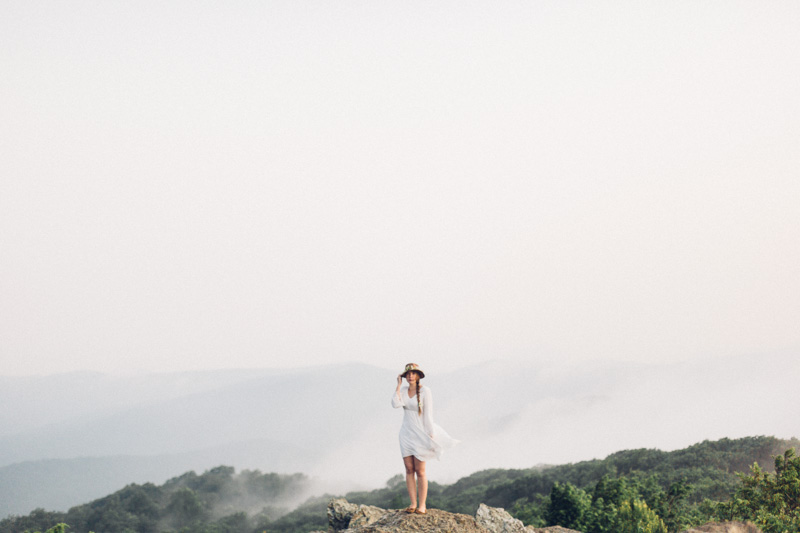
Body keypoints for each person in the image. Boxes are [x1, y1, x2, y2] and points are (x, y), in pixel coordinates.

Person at [391, 363, 458, 515]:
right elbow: (395, 404)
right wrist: (398, 385)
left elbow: (428, 414)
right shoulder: (402, 390)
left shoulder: (425, 391)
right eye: (407, 374)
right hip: (406, 433)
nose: (410, 376)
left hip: (420, 433)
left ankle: (422, 505)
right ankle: (413, 503)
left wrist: (430, 434)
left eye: (413, 373)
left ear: (418, 375)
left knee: (420, 471)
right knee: (409, 469)